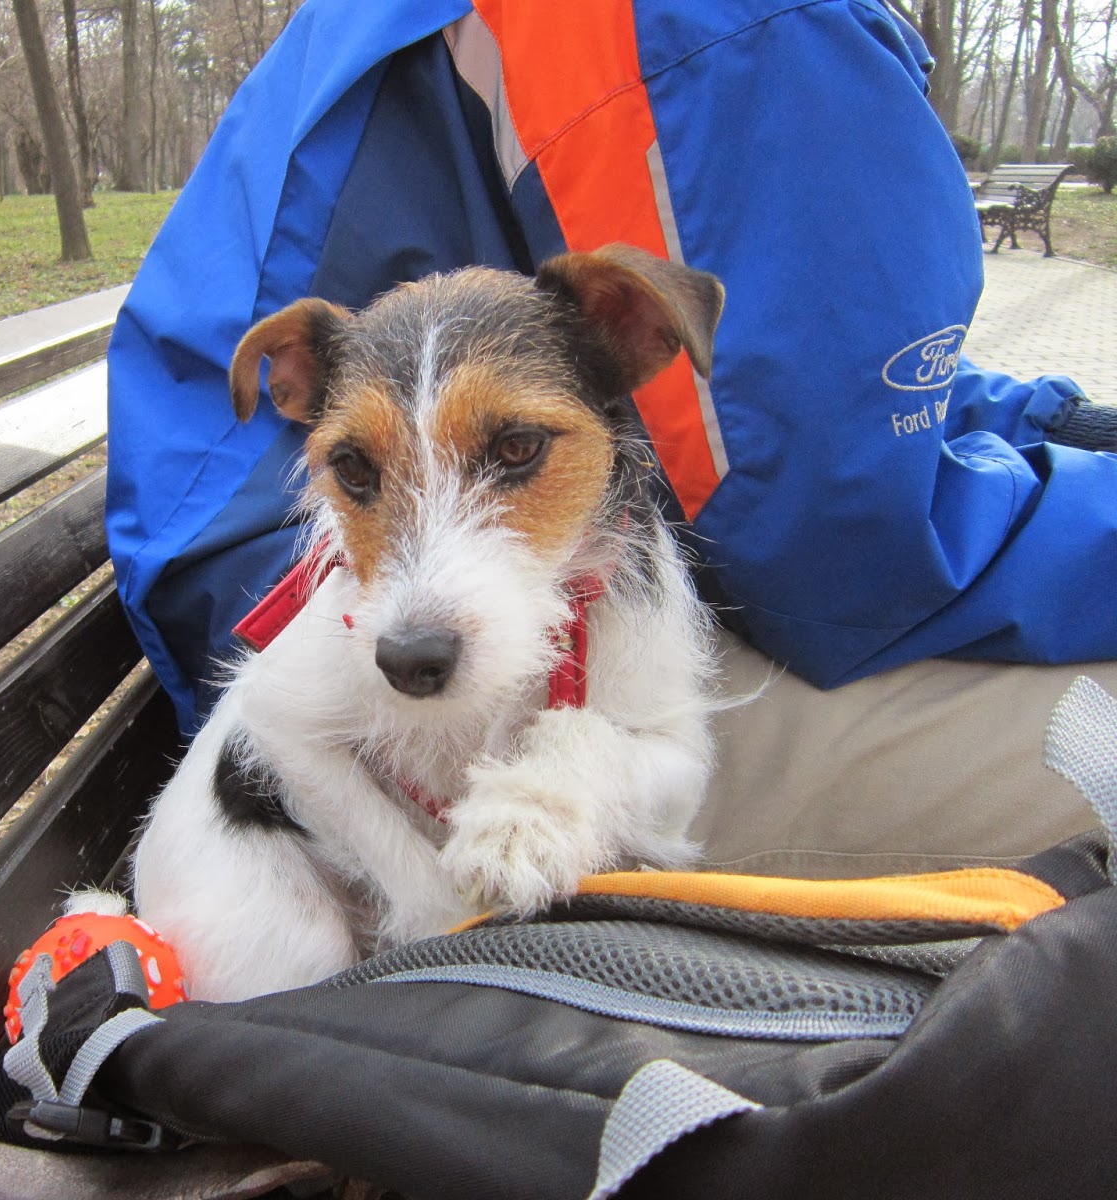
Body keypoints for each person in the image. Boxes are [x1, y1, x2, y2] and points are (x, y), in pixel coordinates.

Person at [105, 0, 1117, 875]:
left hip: (264, 565)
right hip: (282, 638)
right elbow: (842, 537)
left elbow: (846, 380)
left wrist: (1049, 420)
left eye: (513, 458)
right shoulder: (719, 23)